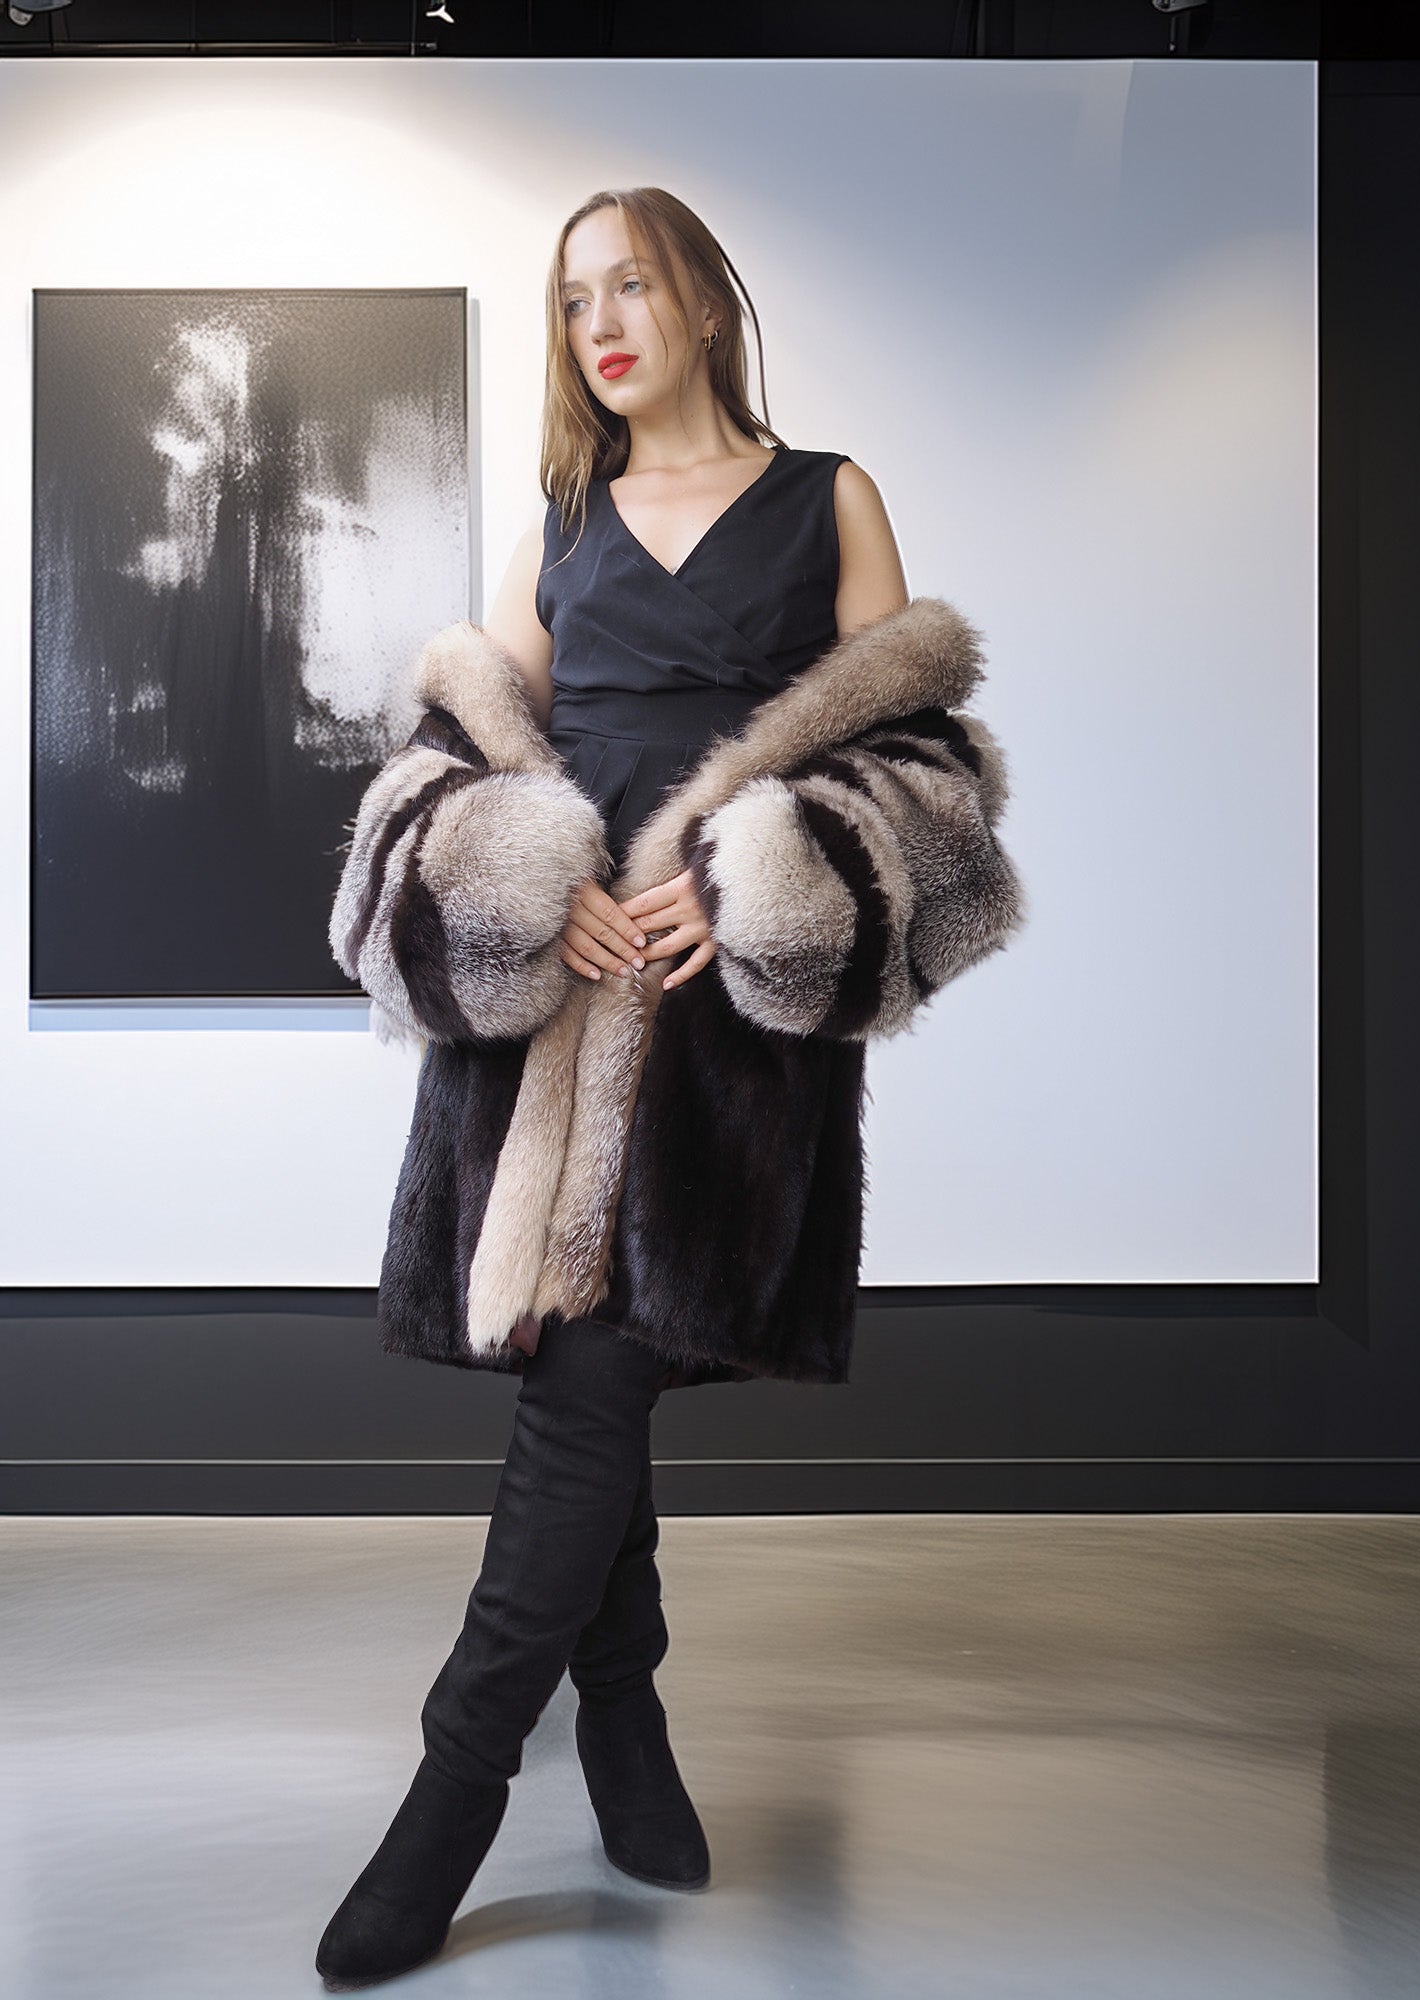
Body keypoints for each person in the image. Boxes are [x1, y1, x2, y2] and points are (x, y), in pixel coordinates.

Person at [317, 186, 1025, 1990]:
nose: (602, 322)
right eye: (573, 300)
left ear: (705, 297)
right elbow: (468, 744)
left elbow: (923, 774)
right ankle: (618, 1725)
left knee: (593, 1379)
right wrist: (520, 876)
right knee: (577, 1378)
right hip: (561, 1012)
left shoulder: (827, 498)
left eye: (632, 283)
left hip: (718, 1032)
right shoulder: (562, 519)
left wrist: (758, 877)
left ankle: (449, 1792)